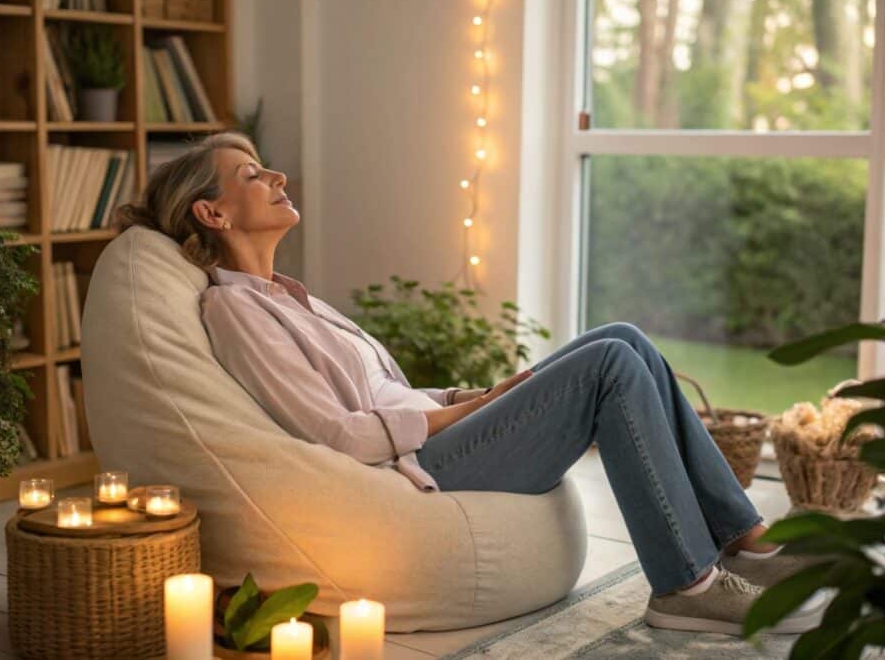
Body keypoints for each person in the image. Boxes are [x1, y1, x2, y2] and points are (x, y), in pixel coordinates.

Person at [118, 132, 826, 636]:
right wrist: (472, 415)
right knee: (611, 366)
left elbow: (385, 392)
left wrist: (464, 398)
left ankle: (746, 538)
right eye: (251, 176)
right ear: (212, 214)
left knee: (624, 339)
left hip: (437, 436)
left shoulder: (293, 297)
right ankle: (685, 585)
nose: (276, 178)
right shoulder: (235, 307)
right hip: (413, 470)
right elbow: (338, 432)